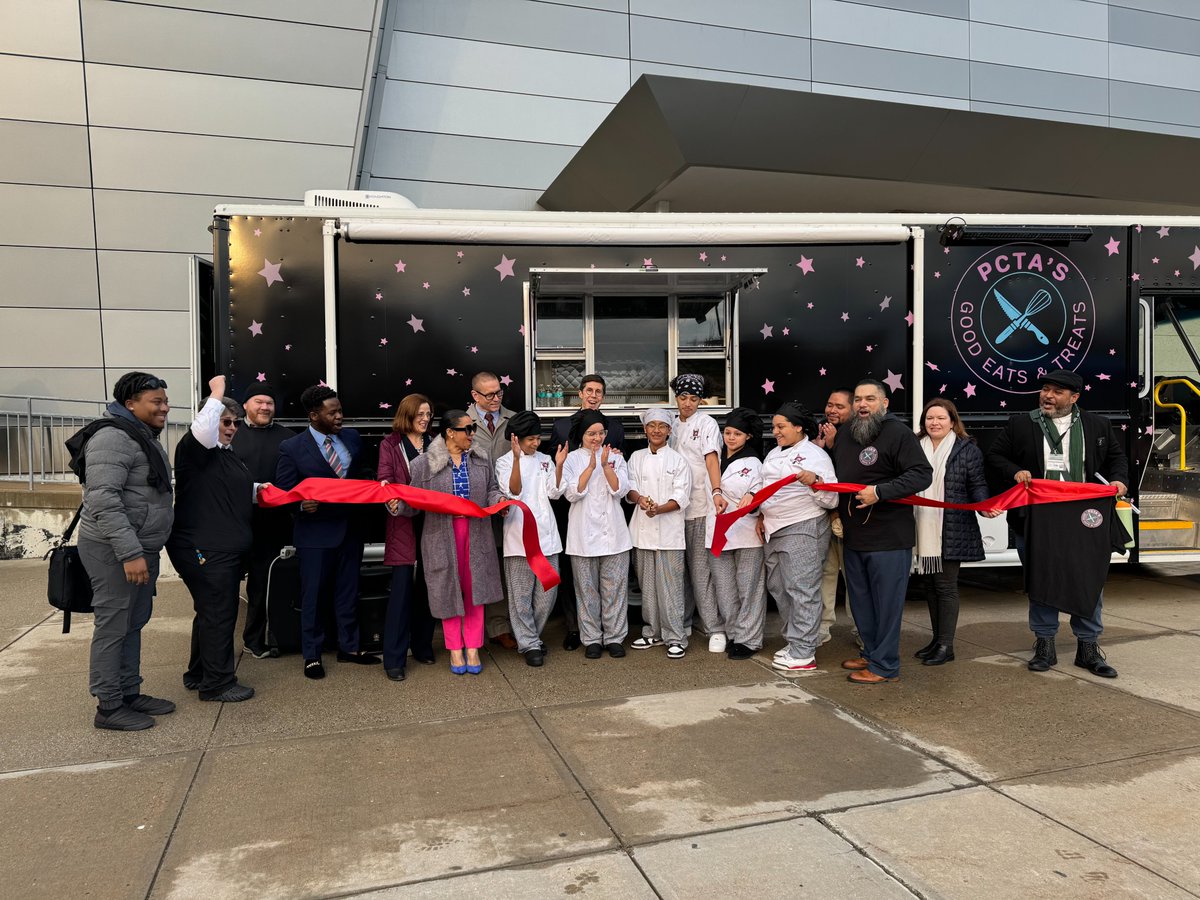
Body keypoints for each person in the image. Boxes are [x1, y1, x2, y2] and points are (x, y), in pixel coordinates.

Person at [986, 370, 1129, 678]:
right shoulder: (1022, 424)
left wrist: (1119, 480)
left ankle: (1088, 648)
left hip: (1084, 519)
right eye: (1045, 390)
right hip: (1038, 517)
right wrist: (1015, 471)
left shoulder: (1097, 425)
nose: (1047, 396)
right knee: (1042, 579)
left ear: (1074, 398)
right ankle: (1045, 644)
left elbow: (1117, 458)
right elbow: (995, 455)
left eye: (1057, 392)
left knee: (1087, 579)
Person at [76, 371, 175, 731]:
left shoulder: (140, 436)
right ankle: (108, 706)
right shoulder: (112, 438)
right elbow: (103, 500)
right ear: (130, 404)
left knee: (133, 623)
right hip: (113, 550)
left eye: (165, 400)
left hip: (139, 548)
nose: (165, 407)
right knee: (113, 626)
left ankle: (129, 692)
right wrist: (130, 554)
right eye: (157, 402)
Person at [831, 379, 932, 685]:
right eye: (859, 399)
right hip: (854, 535)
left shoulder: (898, 433)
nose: (863, 405)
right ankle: (872, 652)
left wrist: (881, 491)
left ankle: (885, 666)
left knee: (886, 604)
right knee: (861, 602)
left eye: (870, 399)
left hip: (889, 536)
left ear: (884, 404)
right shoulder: (848, 433)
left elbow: (921, 474)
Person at [167, 376, 259, 703]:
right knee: (219, 612)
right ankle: (217, 684)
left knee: (209, 611)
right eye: (225, 421)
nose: (232, 427)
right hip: (205, 549)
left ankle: (198, 673)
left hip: (222, 549)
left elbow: (241, 490)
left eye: (235, 422)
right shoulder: (197, 449)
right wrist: (216, 393)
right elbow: (204, 428)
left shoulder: (226, 454)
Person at [275, 385, 377, 679]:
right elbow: (284, 490)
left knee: (348, 592)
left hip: (351, 531)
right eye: (332, 412)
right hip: (315, 535)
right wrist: (299, 506)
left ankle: (350, 647)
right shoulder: (292, 448)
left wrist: (373, 484)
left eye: (340, 410)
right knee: (314, 596)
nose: (340, 417)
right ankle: (312, 655)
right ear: (313, 415)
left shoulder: (352, 439)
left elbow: (364, 474)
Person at [402, 410, 504, 674]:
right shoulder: (423, 465)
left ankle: (473, 647)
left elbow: (492, 489)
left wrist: (499, 502)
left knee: (475, 591)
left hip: (477, 532)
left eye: (472, 429)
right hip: (441, 535)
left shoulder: (482, 460)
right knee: (447, 590)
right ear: (449, 432)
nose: (472, 434)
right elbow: (412, 505)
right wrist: (396, 505)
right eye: (467, 429)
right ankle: (455, 650)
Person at [749, 403, 837, 672]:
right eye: (774, 427)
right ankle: (794, 641)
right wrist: (761, 515)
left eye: (781, 426)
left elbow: (831, 497)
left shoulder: (815, 455)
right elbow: (766, 491)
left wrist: (814, 480)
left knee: (801, 589)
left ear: (799, 427)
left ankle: (804, 651)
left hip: (802, 526)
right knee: (779, 587)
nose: (775, 431)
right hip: (773, 529)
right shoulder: (774, 453)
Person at [912, 397, 997, 666]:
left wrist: (984, 505)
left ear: (952, 422)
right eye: (929, 418)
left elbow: (978, 483)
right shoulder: (914, 446)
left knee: (946, 586)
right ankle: (937, 640)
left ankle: (946, 645)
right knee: (929, 585)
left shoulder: (967, 449)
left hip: (952, 526)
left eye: (940, 418)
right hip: (918, 523)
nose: (934, 422)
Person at [549, 374, 627, 651]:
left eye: (599, 391)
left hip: (609, 516)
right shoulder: (561, 426)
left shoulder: (615, 429)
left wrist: (606, 463)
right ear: (580, 393)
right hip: (573, 512)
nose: (593, 395)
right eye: (589, 390)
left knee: (610, 584)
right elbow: (557, 477)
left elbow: (621, 480)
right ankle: (578, 630)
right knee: (580, 583)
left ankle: (613, 635)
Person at [495, 411, 567, 667]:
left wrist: (558, 465)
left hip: (546, 538)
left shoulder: (546, 459)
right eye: (531, 439)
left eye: (538, 438)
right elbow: (513, 491)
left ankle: (530, 635)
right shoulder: (503, 462)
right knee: (520, 596)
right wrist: (516, 459)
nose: (536, 443)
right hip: (518, 538)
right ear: (516, 439)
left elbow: (555, 492)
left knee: (547, 593)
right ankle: (529, 644)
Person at [562, 410, 632, 659]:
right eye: (591, 433)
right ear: (582, 435)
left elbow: (620, 490)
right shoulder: (571, 459)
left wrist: (604, 465)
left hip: (614, 535)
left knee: (615, 589)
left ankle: (614, 637)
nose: (597, 438)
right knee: (587, 590)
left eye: (601, 433)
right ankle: (591, 638)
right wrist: (591, 467)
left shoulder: (615, 457)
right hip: (582, 536)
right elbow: (571, 493)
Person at [230, 381, 293, 659]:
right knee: (225, 587)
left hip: (272, 524)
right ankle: (218, 644)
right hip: (233, 524)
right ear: (246, 405)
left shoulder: (288, 437)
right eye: (259, 402)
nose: (265, 407)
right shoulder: (229, 433)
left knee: (263, 586)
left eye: (269, 403)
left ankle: (256, 640)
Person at [377, 393, 436, 681]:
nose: (425, 419)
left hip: (433, 522)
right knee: (400, 592)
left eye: (428, 414)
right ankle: (394, 659)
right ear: (407, 415)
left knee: (428, 587)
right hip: (402, 523)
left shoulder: (436, 444)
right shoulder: (390, 444)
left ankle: (423, 646)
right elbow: (384, 478)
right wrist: (390, 497)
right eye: (420, 415)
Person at [626, 409, 692, 659]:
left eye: (661, 426)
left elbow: (681, 496)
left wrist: (658, 509)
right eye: (651, 426)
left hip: (670, 533)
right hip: (642, 534)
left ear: (669, 431)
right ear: (645, 429)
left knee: (671, 588)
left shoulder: (678, 460)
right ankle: (651, 632)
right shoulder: (636, 457)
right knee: (648, 587)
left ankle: (675, 637)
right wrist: (642, 500)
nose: (656, 430)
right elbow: (630, 489)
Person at [668, 373, 727, 651]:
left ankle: (715, 627)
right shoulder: (670, 424)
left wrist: (716, 491)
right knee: (679, 572)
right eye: (683, 398)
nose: (688, 403)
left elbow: (711, 459)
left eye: (694, 398)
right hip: (674, 509)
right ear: (676, 398)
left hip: (700, 507)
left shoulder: (706, 423)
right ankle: (684, 622)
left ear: (700, 399)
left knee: (701, 570)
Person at [705, 407, 767, 661]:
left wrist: (753, 497)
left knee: (749, 588)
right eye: (728, 432)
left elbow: (763, 492)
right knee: (725, 588)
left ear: (748, 437)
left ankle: (749, 639)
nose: (730, 437)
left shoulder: (755, 463)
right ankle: (733, 633)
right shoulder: (714, 459)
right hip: (718, 531)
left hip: (746, 533)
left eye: (737, 434)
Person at [467, 371, 519, 651]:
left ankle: (500, 627)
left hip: (507, 507)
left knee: (502, 565)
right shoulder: (463, 423)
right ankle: (471, 628)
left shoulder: (513, 419)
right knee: (476, 567)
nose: (496, 398)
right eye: (489, 394)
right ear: (474, 396)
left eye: (499, 392)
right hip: (475, 507)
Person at [812, 388, 855, 645]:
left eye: (839, 406)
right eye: (830, 405)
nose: (832, 411)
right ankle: (822, 627)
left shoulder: (858, 434)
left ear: (851, 409)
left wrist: (833, 445)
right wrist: (821, 447)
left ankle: (862, 630)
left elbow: (849, 476)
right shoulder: (819, 431)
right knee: (825, 573)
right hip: (825, 518)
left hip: (850, 519)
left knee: (854, 577)